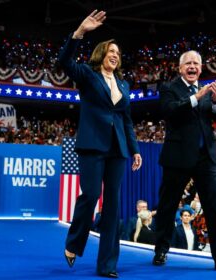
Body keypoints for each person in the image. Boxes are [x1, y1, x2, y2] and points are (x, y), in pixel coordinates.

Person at [59, 10, 142, 278]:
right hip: (93, 146)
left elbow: (127, 120)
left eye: (118, 52)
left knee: (113, 208)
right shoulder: (87, 75)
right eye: (111, 51)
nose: (115, 55)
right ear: (101, 54)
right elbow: (64, 62)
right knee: (91, 195)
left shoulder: (124, 85)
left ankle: (108, 265)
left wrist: (135, 150)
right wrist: (79, 33)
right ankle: (74, 242)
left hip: (118, 149)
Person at [152, 50, 216, 273]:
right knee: (168, 205)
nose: (192, 67)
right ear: (180, 68)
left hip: (206, 158)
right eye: (188, 63)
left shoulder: (207, 90)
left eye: (196, 63)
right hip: (178, 156)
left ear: (201, 68)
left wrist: (215, 100)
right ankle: (161, 249)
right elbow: (169, 111)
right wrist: (196, 97)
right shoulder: (169, 88)